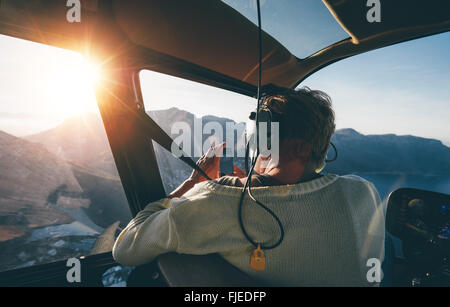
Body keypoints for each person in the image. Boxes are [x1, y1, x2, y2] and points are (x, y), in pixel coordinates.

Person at [112, 87, 385, 286]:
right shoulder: (363, 191)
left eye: (263, 139)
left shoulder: (218, 200)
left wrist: (194, 184)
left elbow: (125, 248)